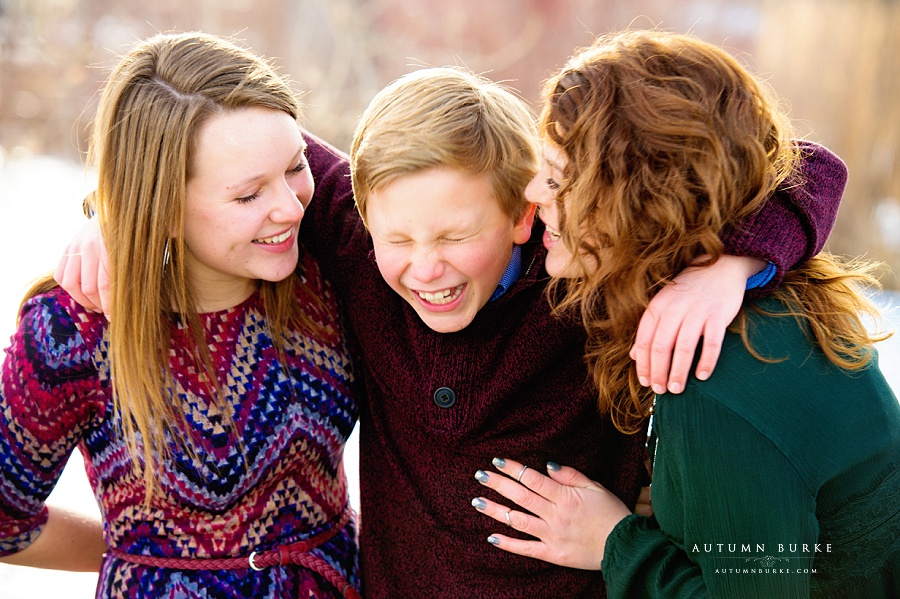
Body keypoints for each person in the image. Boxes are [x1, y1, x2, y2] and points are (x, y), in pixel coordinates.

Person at [54, 63, 844, 597]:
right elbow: (199, 140)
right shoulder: (356, 221)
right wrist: (120, 212)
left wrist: (734, 262)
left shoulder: (582, 263)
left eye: (455, 237)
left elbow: (811, 164)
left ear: (527, 207)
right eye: (399, 240)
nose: (423, 268)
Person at [472, 30, 900, 598]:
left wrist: (612, 543)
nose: (533, 190)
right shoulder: (752, 293)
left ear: (631, 197)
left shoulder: (718, 375)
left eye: (556, 177)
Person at [0, 32, 361, 599]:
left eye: (294, 167)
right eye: (247, 196)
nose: (290, 207)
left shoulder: (320, 270)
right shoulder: (75, 333)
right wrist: (149, 560)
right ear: (161, 204)